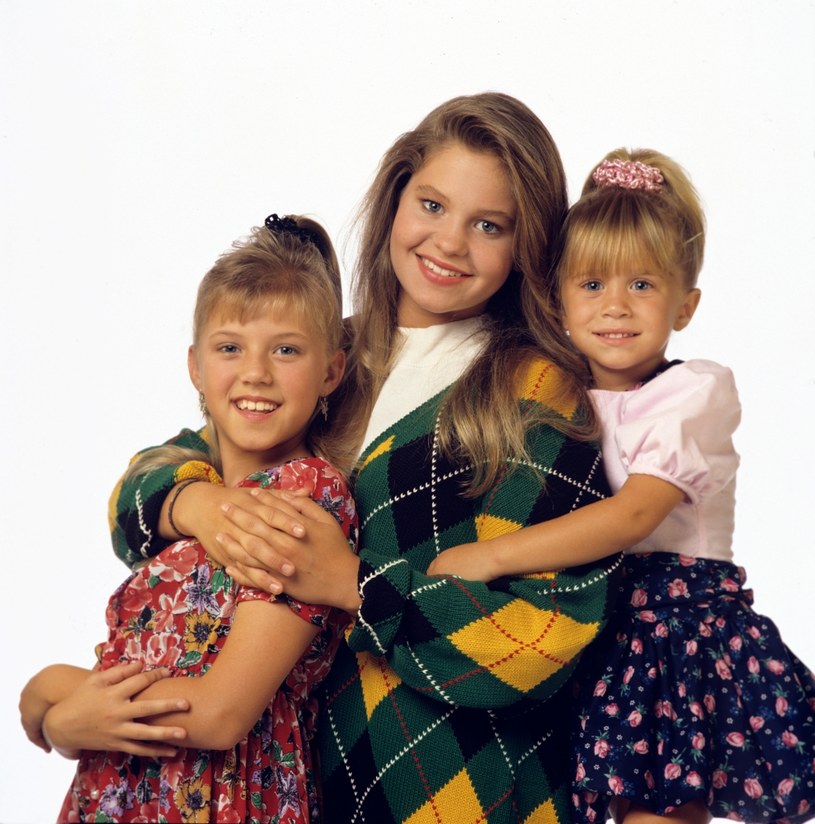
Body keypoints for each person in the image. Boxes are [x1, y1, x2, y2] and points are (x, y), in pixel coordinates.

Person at [38, 94, 624, 823]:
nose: (449, 243)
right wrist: (197, 503)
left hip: (457, 787)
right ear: (394, 199)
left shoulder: (534, 392)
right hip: (292, 780)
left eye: (488, 225)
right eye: (432, 205)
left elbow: (544, 635)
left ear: (526, 245)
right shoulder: (320, 354)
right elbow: (142, 491)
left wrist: (354, 584)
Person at [428, 150, 815, 824]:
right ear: (556, 297)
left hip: (673, 633)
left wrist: (488, 558)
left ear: (684, 305)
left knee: (659, 813)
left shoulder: (690, 392)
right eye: (591, 285)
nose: (614, 306)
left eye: (641, 285)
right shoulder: (552, 394)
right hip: (589, 624)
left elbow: (633, 514)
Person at [19, 214, 358, 822]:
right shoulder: (186, 491)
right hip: (119, 795)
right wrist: (66, 721)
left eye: (286, 350)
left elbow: (218, 714)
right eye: (230, 347)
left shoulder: (303, 495)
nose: (255, 372)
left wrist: (52, 693)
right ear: (196, 366)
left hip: (218, 798)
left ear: (330, 370)